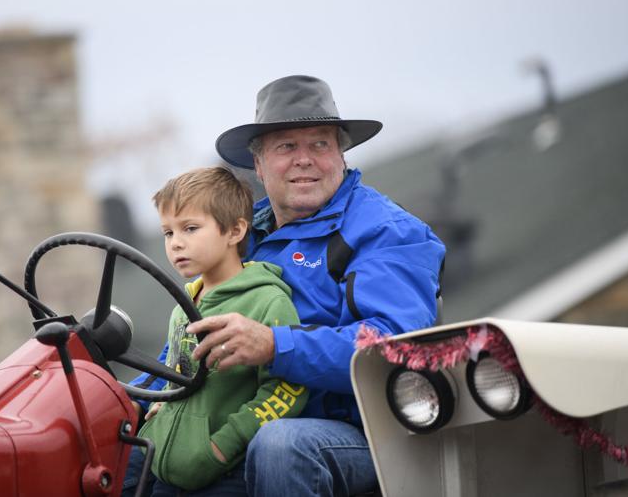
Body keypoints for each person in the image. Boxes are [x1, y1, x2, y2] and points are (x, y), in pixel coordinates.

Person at [181, 75, 447, 496]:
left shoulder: (387, 233)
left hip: (367, 437)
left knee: (282, 444)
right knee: (132, 448)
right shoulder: (238, 236)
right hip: (244, 421)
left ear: (340, 155)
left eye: (319, 144)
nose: (304, 159)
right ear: (259, 164)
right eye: (286, 146)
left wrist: (275, 345)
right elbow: (188, 332)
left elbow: (394, 348)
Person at [122, 166, 308, 496]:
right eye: (168, 233)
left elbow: (286, 392)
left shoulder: (267, 300)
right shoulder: (183, 306)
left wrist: (223, 446)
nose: (176, 244)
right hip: (164, 467)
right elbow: (178, 374)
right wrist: (160, 409)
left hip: (223, 473)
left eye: (190, 228)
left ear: (235, 231)